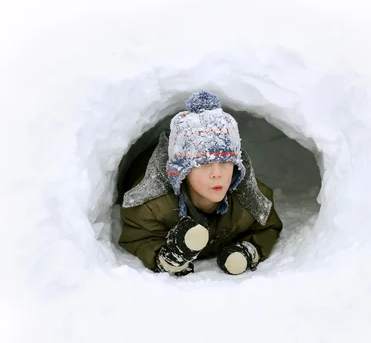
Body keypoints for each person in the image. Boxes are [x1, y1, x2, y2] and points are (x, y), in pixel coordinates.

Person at [118, 91, 283, 276]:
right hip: (143, 162)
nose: (217, 174)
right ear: (184, 171)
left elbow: (268, 226)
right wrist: (166, 257)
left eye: (225, 162)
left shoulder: (250, 197)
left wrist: (247, 250)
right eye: (203, 164)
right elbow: (138, 235)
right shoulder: (152, 203)